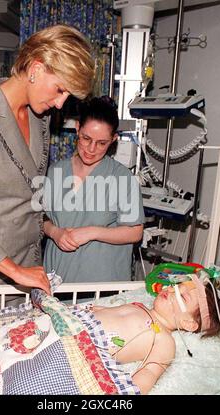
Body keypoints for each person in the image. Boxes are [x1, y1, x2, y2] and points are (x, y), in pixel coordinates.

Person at [0, 24, 95, 316]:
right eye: (60, 89)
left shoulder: (41, 118)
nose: (61, 103)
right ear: (36, 68)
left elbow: (31, 192)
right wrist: (14, 271)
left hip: (30, 267)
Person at [43, 96, 145, 283]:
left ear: (113, 139)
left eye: (101, 143)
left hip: (100, 283)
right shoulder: (56, 171)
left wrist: (92, 232)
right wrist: (55, 233)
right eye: (86, 138)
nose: (91, 149)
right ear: (77, 128)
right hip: (56, 278)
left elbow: (135, 232)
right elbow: (42, 219)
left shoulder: (122, 178)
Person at [91, 277, 220, 394]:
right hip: (76, 321)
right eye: (175, 286)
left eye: (181, 296)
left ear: (188, 323)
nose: (170, 290)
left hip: (87, 345)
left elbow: (149, 372)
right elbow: (107, 312)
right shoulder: (139, 306)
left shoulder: (164, 341)